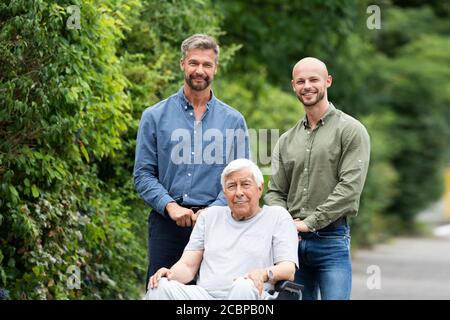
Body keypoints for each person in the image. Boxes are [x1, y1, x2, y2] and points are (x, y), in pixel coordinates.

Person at [134, 34, 250, 287]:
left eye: (207, 65)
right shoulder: (154, 116)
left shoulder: (233, 121)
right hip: (166, 226)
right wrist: (170, 207)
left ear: (216, 68)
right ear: (182, 64)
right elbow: (143, 175)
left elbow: (241, 179)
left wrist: (215, 209)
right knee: (161, 290)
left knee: (214, 295)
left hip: (218, 227)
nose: (200, 70)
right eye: (194, 63)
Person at [264, 57, 370, 300]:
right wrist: (285, 224)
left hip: (331, 241)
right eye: (301, 81)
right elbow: (275, 192)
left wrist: (309, 223)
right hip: (291, 246)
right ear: (293, 85)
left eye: (314, 79)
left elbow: (350, 189)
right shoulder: (286, 140)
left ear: (328, 81)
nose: (307, 86)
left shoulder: (351, 130)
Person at [144, 159, 298, 300]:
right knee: (159, 287)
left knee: (243, 285)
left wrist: (264, 274)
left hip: (251, 293)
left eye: (245, 184)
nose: (239, 192)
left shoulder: (277, 216)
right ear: (225, 193)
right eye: (231, 186)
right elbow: (188, 266)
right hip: (205, 296)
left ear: (260, 188)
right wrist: (169, 274)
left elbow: (288, 269)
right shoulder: (209, 216)